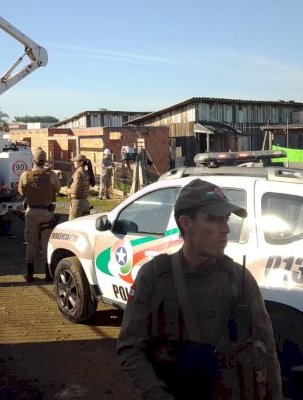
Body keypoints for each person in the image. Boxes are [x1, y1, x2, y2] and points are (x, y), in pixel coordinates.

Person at [116, 178, 282, 400]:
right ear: (186, 223)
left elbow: (269, 352)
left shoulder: (239, 280)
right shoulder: (154, 276)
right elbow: (130, 348)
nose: (225, 229)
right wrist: (156, 394)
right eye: (214, 220)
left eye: (226, 219)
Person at [18, 147, 61, 283]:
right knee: (46, 244)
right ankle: (48, 274)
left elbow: (21, 191)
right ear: (45, 160)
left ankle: (30, 274)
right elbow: (58, 189)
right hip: (47, 213)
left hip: (31, 212)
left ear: (34, 160)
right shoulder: (51, 175)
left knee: (31, 243)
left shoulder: (26, 175)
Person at [69, 154, 92, 219]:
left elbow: (75, 190)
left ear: (81, 162)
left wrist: (66, 190)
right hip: (85, 202)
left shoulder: (78, 173)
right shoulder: (87, 173)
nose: (74, 163)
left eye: (76, 161)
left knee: (72, 225)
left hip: (77, 203)